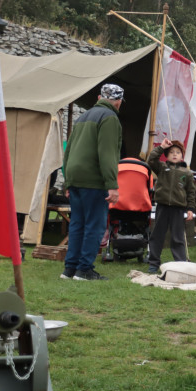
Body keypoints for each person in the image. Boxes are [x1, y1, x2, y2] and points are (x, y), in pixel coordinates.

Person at [60, 83, 124, 281]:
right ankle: (84, 269)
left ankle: (69, 269)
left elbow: (68, 151)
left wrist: (67, 182)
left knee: (77, 225)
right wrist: (112, 184)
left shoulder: (82, 118)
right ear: (118, 101)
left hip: (75, 178)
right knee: (94, 226)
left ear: (99, 98)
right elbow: (107, 153)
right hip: (94, 181)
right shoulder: (110, 118)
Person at [145, 141, 195, 272]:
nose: (174, 154)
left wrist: (191, 209)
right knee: (157, 235)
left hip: (178, 208)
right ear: (166, 155)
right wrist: (161, 147)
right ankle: (154, 263)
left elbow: (191, 193)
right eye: (171, 152)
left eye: (177, 152)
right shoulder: (161, 168)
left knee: (178, 237)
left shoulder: (187, 173)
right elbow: (151, 159)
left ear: (182, 156)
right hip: (162, 207)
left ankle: (181, 264)